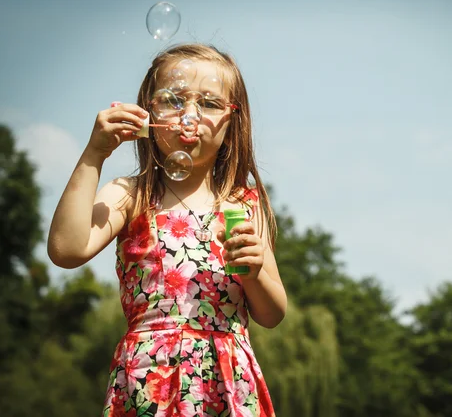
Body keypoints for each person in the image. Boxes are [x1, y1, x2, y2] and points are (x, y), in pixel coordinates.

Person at [47, 43, 287, 417]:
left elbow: (272, 314)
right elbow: (66, 249)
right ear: (149, 113)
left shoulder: (242, 204)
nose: (189, 116)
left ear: (232, 119)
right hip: (149, 379)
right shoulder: (132, 195)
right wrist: (95, 153)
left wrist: (254, 273)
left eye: (208, 104)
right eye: (174, 100)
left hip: (227, 383)